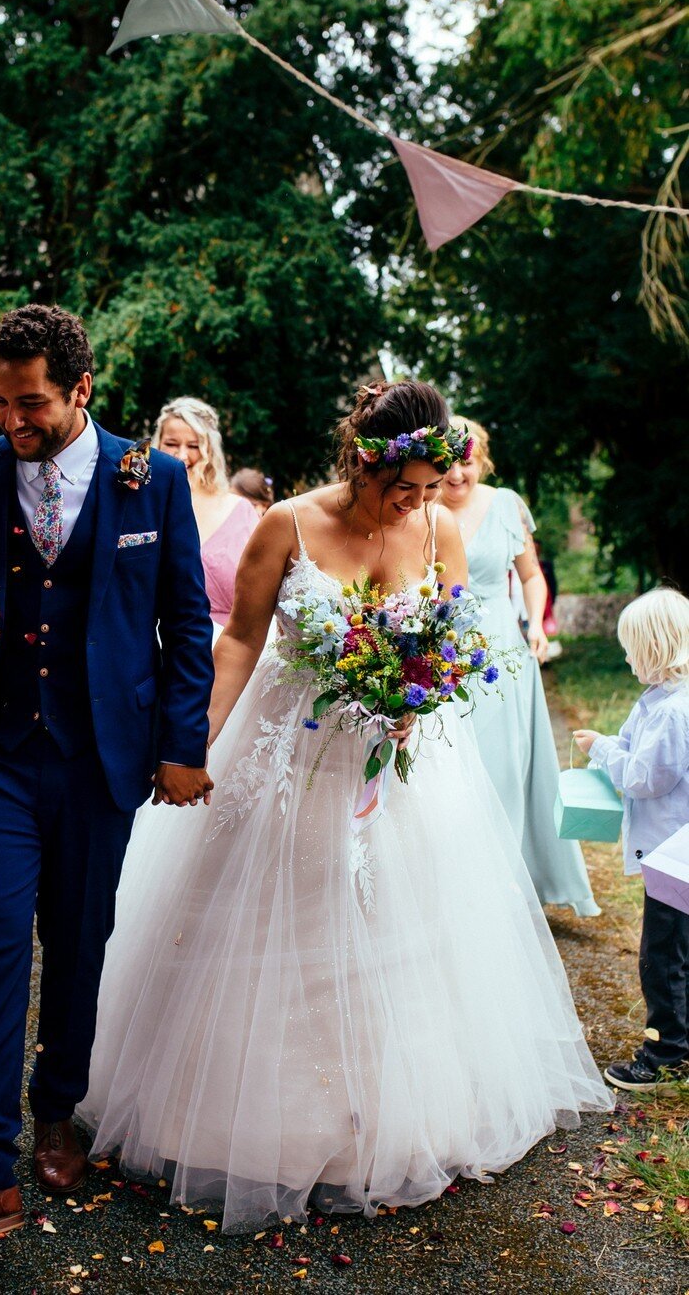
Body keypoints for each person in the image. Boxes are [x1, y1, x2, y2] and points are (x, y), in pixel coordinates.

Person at [81, 379, 611, 1231]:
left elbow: (442, 634)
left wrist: (416, 699)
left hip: (393, 765)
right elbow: (242, 641)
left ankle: (391, 1118)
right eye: (405, 487)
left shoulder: (436, 525)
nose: (417, 503)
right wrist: (194, 743)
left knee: (397, 925)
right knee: (271, 919)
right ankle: (252, 1124)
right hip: (286, 757)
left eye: (432, 489)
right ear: (364, 463)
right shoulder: (286, 523)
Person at [0, 304, 215, 1255]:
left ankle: (57, 1107)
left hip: (100, 757)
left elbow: (187, 622)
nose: (11, 420)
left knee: (79, 946)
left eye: (29, 402)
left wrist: (180, 744)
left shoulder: (151, 480)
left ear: (81, 389)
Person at [440, 419, 598, 917]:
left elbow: (530, 576)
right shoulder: (419, 504)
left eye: (466, 461)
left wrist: (536, 625)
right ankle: (454, 879)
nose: (456, 474)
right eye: (447, 462)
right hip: (441, 648)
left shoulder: (506, 504)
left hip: (501, 650)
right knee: (449, 765)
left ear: (481, 460)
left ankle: (503, 886)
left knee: (504, 764)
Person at [574, 588, 689, 1091]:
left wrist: (600, 750)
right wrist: (609, 743)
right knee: (678, 947)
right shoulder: (658, 700)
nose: (624, 657)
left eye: (630, 648)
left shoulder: (671, 712)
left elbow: (645, 777)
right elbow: (632, 744)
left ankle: (665, 1053)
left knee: (663, 956)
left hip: (672, 852)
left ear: (656, 650)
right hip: (674, 850)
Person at [153, 398, 260, 628]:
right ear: (158, 445)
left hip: (229, 648)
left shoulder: (240, 511)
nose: (181, 456)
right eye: (172, 443)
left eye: (193, 446)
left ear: (210, 450)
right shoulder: (143, 508)